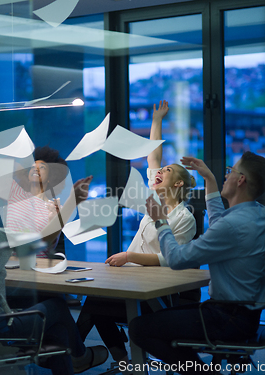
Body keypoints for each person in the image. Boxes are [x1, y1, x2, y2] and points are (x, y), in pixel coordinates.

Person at [128, 152, 265, 375]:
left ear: (240, 179)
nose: (227, 175)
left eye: (230, 171)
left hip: (228, 319)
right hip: (243, 314)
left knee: (139, 328)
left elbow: (176, 259)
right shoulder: (258, 213)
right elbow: (220, 222)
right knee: (154, 319)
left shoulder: (233, 225)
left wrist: (160, 221)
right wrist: (210, 179)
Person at [76, 100, 198, 367]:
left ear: (178, 183)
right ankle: (114, 360)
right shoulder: (156, 198)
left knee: (95, 304)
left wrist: (130, 255)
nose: (159, 171)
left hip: (156, 291)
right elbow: (153, 155)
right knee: (95, 301)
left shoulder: (184, 217)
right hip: (132, 280)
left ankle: (85, 357)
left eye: (166, 171)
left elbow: (171, 260)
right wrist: (157, 121)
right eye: (161, 170)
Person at [0, 174, 108, 375]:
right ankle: (82, 356)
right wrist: (72, 201)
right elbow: (45, 238)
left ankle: (75, 361)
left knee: (58, 332)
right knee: (57, 304)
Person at [0, 102, 68, 254]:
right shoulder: (15, 193)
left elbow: (49, 243)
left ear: (50, 178)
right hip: (10, 264)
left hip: (38, 269)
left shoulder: (52, 207)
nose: (36, 168)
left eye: (43, 167)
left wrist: (56, 221)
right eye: (34, 165)